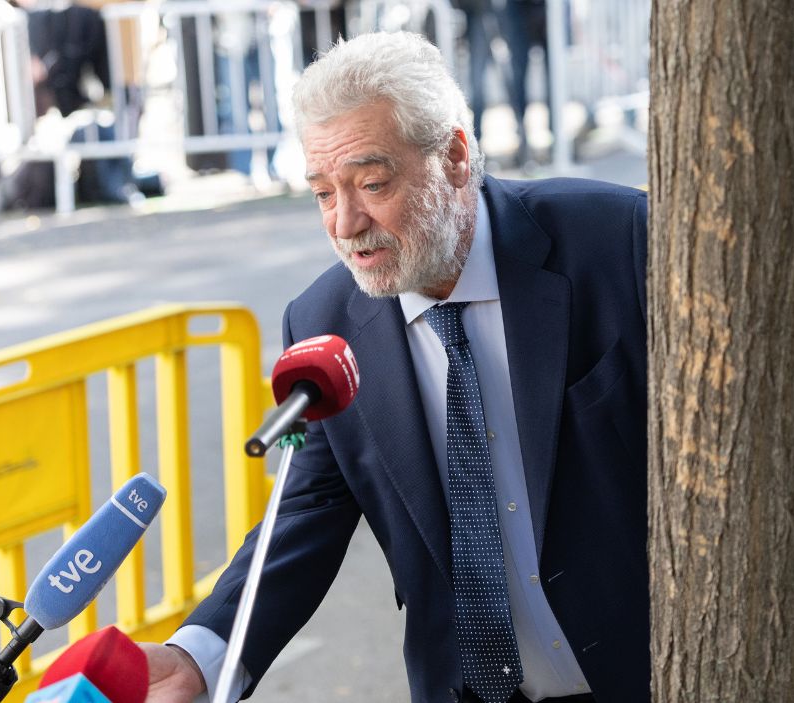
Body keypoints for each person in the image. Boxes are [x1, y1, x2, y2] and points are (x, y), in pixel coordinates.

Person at [140, 31, 647, 703]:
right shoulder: (322, 321)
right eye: (322, 193)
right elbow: (308, 509)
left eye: (372, 183)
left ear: (455, 157)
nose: (346, 223)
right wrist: (201, 654)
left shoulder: (615, 242)